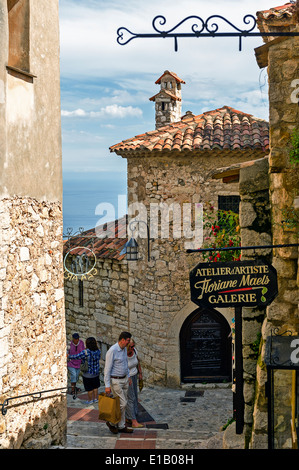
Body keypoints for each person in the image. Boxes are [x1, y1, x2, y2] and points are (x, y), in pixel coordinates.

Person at [104, 331, 133, 434]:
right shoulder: (112, 351)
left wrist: (128, 376)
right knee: (123, 403)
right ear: (123, 340)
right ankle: (111, 423)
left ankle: (121, 425)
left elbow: (125, 363)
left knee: (123, 403)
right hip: (115, 381)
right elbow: (107, 369)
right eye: (128, 341)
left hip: (124, 379)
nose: (129, 343)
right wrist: (107, 385)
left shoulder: (124, 349)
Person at [67, 336, 101, 404]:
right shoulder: (98, 351)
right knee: (95, 387)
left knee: (89, 388)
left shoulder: (85, 352)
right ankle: (95, 399)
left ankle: (90, 400)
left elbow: (77, 356)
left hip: (88, 373)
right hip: (96, 372)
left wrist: (68, 356)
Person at [125, 338, 144, 428]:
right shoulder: (123, 354)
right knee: (130, 398)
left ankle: (130, 415)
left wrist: (140, 373)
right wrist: (128, 377)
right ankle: (133, 421)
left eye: (133, 346)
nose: (133, 348)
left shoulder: (134, 351)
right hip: (127, 378)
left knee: (135, 396)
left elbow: (137, 362)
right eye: (131, 347)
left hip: (134, 375)